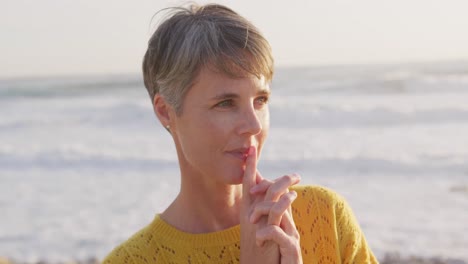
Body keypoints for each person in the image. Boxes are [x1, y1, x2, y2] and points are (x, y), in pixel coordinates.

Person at [103, 3, 378, 264]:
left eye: (260, 101)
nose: (254, 125)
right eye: (225, 103)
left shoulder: (325, 215)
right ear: (165, 111)